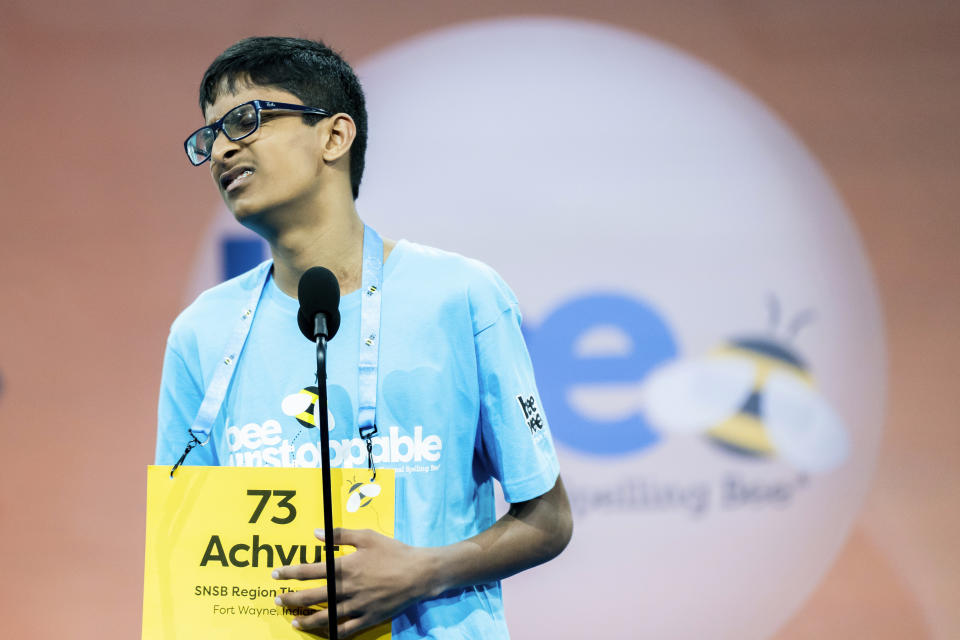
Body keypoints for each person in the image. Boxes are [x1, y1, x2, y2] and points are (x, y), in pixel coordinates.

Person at [156, 36, 572, 639]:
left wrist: (422, 573)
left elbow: (549, 518)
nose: (220, 149)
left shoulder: (462, 296)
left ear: (334, 135)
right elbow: (187, 553)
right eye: (209, 135)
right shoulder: (200, 333)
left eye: (245, 120)